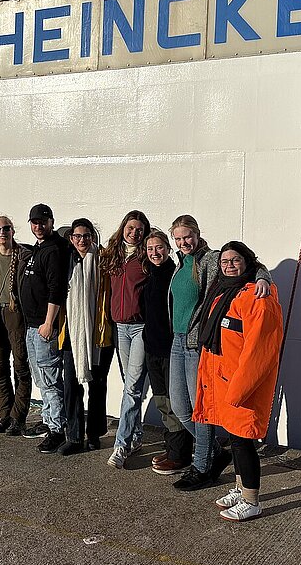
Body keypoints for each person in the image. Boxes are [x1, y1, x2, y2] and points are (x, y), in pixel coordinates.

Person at [168, 215, 272, 491]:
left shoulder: (211, 258)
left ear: (197, 234)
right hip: (178, 340)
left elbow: (245, 264)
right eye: (178, 239)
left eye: (187, 236)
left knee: (201, 410)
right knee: (180, 407)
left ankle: (201, 466)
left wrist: (264, 277)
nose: (183, 242)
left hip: (195, 343)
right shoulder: (180, 263)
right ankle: (214, 450)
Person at [194, 241, 283, 521]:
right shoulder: (224, 292)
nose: (229, 265)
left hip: (241, 386)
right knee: (235, 438)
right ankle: (239, 487)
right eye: (224, 261)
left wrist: (239, 390)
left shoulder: (258, 298)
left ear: (247, 262)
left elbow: (260, 351)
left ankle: (252, 500)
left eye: (235, 260)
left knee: (244, 441)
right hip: (223, 380)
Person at [58, 218, 114, 455]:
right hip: (72, 332)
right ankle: (74, 436)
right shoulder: (65, 261)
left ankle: (94, 434)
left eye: (87, 236)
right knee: (71, 385)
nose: (82, 240)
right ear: (71, 238)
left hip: (99, 333)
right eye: (78, 236)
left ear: (93, 237)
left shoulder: (103, 261)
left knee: (97, 385)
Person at [19, 203, 72, 453]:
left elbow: (56, 289)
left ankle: (57, 428)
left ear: (51, 222)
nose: (38, 226)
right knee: (41, 378)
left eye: (43, 222)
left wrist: (49, 322)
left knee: (50, 379)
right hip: (31, 326)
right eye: (35, 222)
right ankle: (49, 419)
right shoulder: (39, 249)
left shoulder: (53, 250)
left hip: (43, 326)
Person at [102, 210, 152, 469]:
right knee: (129, 385)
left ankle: (120, 445)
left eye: (139, 229)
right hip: (120, 327)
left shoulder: (147, 257)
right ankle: (137, 435)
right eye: (131, 228)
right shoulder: (113, 254)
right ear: (123, 228)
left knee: (132, 387)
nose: (134, 233)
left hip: (140, 327)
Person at [141, 230, 193, 475]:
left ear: (168, 248)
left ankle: (181, 454)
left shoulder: (174, 273)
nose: (155, 253)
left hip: (170, 348)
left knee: (175, 402)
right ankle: (172, 448)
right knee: (162, 401)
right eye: (150, 249)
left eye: (159, 247)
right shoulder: (151, 274)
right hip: (152, 347)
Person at [0, 215, 33, 436]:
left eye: (6, 229)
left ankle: (18, 417)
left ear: (13, 230)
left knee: (21, 367)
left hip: (17, 315)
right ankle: (5, 414)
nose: (1, 233)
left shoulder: (24, 255)